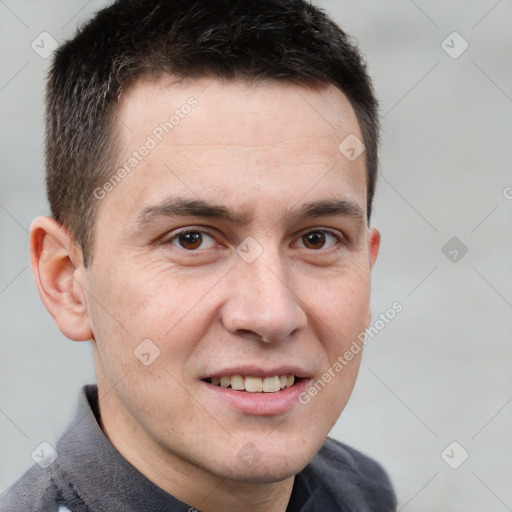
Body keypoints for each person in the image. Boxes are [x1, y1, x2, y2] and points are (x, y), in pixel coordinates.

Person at [0, 0, 397, 510]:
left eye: (316, 239)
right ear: (66, 281)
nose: (271, 314)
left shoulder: (367, 493)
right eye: (191, 239)